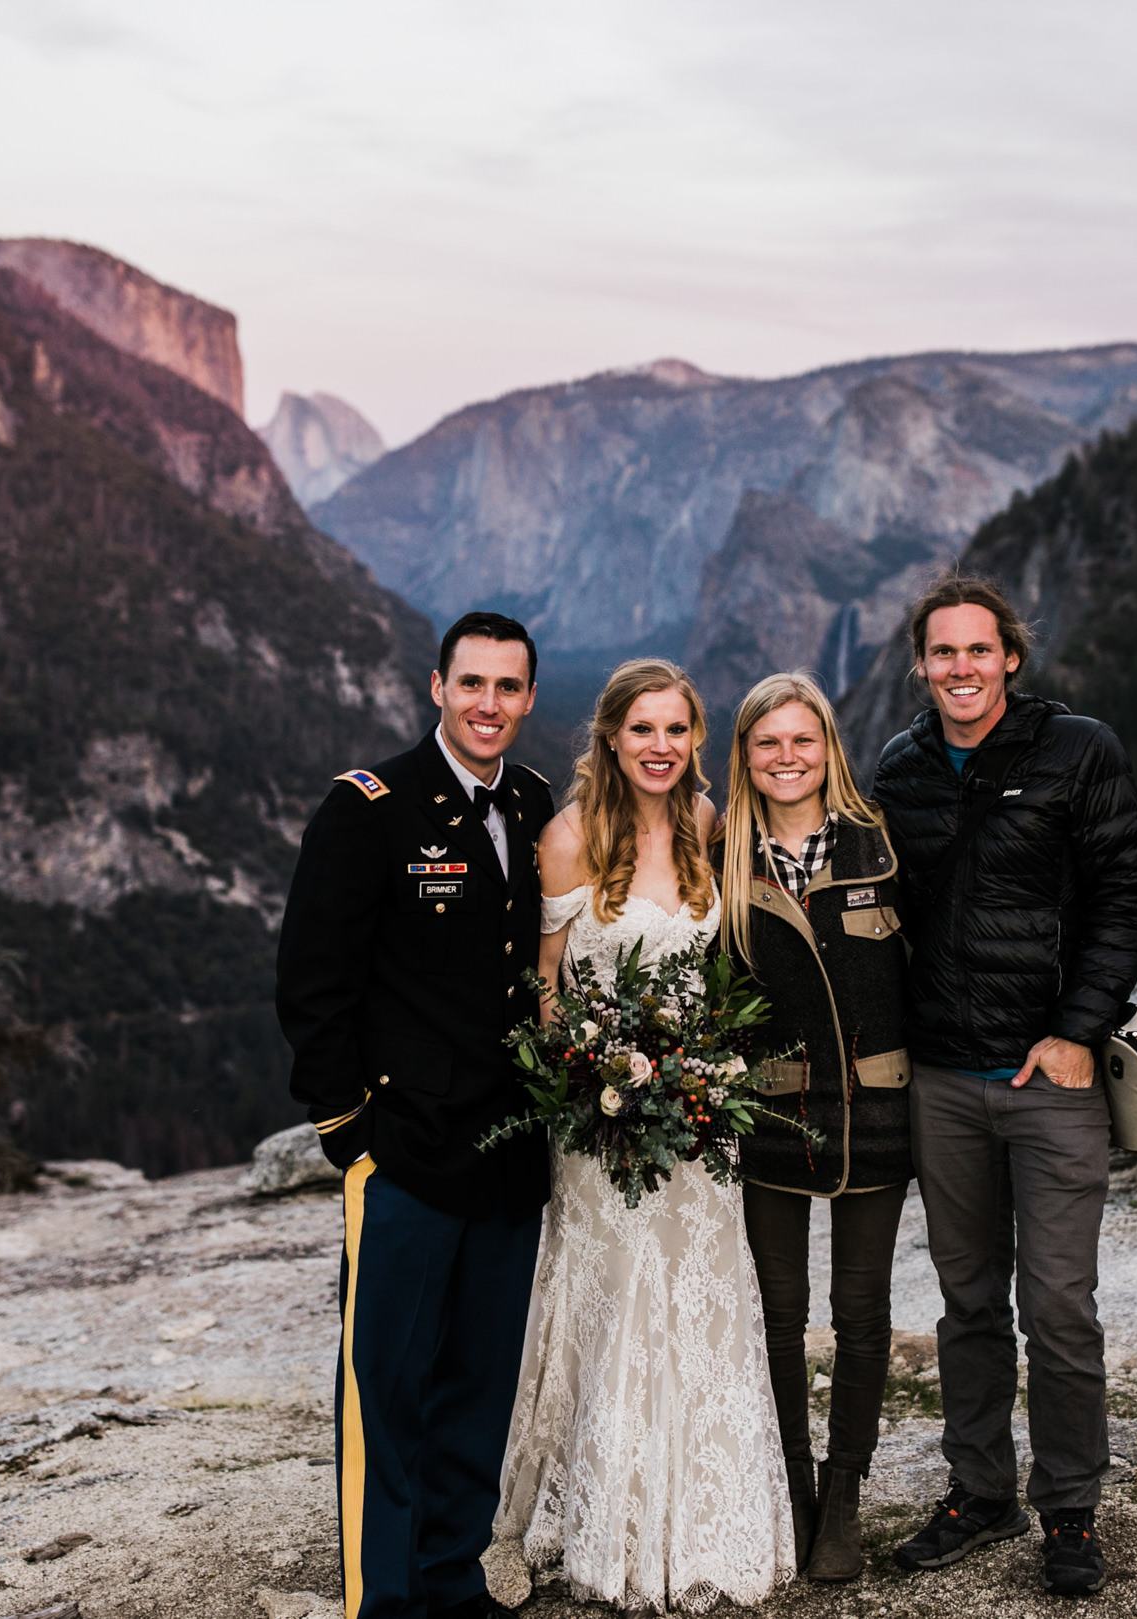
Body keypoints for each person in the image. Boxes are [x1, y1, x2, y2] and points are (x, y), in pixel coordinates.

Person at [870, 575, 1137, 1598]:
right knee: (966, 1304)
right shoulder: (898, 769)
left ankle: (1070, 1505)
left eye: (977, 650)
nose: (960, 668)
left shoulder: (1077, 750)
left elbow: (1128, 895)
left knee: (1059, 1306)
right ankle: (978, 1488)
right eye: (941, 652)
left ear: (1011, 658)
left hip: (1050, 1080)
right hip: (941, 1080)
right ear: (920, 662)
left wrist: (1079, 1031)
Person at [494, 658, 797, 1612]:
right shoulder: (568, 839)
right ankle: (607, 1523)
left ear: (693, 739)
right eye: (642, 730)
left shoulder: (710, 828)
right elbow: (546, 980)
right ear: (611, 739)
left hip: (703, 1120)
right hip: (602, 1128)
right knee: (617, 1300)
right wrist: (583, 1068)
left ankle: (708, 1521)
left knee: (704, 1298)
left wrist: (707, 1064)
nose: (660, 747)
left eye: (676, 730)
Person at [276, 612, 558, 1619]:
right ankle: (384, 1598)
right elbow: (314, 981)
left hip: (512, 1153)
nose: (488, 703)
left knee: (477, 1390)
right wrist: (349, 1130)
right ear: (435, 685)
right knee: (385, 1391)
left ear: (529, 697)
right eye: (470, 683)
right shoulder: (370, 808)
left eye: (508, 687)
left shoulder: (532, 803)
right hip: (405, 1152)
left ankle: (451, 1576)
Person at [715, 672, 914, 1584]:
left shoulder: (883, 844)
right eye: (767, 743)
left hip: (877, 1108)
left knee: (862, 1315)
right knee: (779, 1317)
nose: (786, 758)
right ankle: (791, 1483)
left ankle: (845, 1496)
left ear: (829, 746)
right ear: (745, 756)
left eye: (803, 740)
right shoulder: (723, 857)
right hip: (772, 1115)